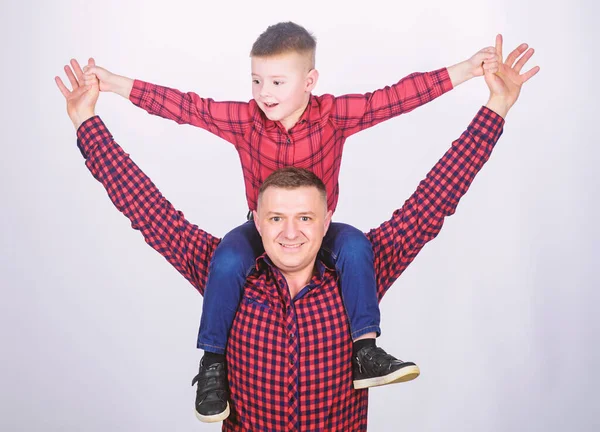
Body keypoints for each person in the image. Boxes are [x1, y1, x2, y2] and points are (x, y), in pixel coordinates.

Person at [56, 34, 538, 431]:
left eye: (305, 218)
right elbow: (144, 204)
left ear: (326, 220)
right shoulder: (228, 273)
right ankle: (211, 365)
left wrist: (495, 104)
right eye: (276, 218)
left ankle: (364, 353)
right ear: (257, 220)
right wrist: (87, 120)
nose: (290, 232)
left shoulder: (358, 270)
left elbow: (436, 196)